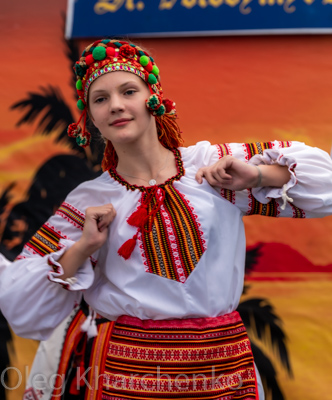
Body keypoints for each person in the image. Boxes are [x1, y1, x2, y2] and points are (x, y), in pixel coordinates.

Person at [1, 38, 332, 400]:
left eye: (128, 91)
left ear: (153, 96)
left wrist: (257, 177)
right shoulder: (89, 200)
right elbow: (21, 305)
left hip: (222, 369)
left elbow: (324, 187)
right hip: (130, 374)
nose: (116, 105)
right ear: (91, 118)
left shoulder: (210, 165)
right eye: (100, 99)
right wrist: (84, 248)